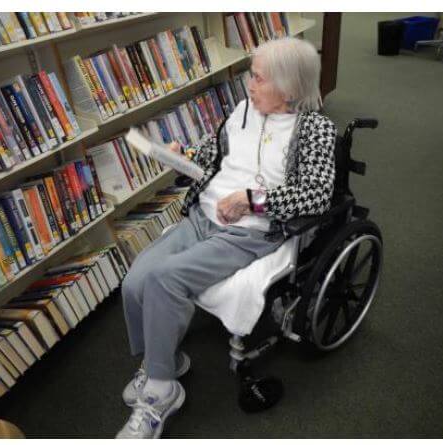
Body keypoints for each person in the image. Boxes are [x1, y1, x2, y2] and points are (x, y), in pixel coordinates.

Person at [117, 37, 337, 438]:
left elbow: (317, 194)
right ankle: (163, 360)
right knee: (133, 282)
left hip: (247, 232)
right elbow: (211, 157)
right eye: (250, 75)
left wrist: (250, 202)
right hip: (202, 216)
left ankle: (161, 392)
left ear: (288, 88)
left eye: (258, 78)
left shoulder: (315, 130)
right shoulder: (241, 111)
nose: (248, 85)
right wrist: (179, 153)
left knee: (164, 279)